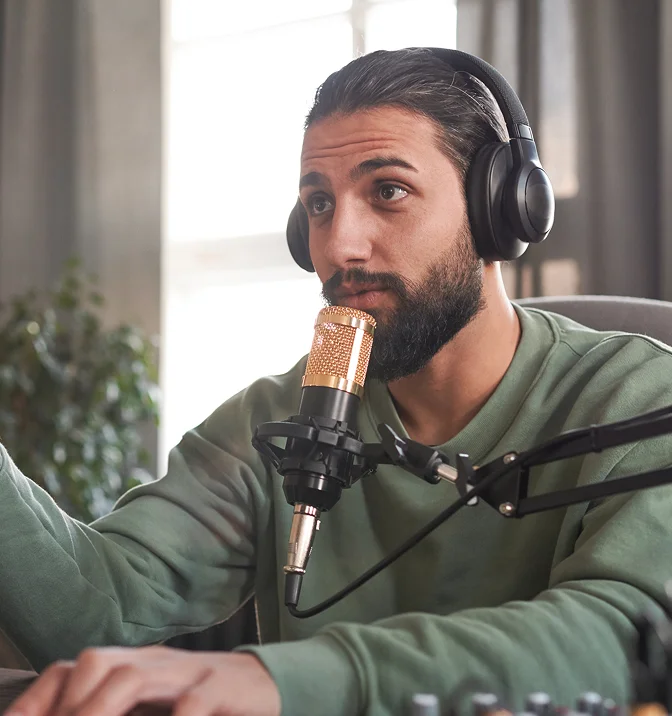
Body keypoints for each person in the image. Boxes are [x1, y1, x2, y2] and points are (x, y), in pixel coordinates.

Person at [3, 47, 672, 716]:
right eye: (319, 204)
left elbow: (624, 638)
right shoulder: (271, 418)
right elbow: (97, 611)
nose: (339, 246)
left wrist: (286, 680)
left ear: (498, 207)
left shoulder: (640, 397)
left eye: (388, 191)